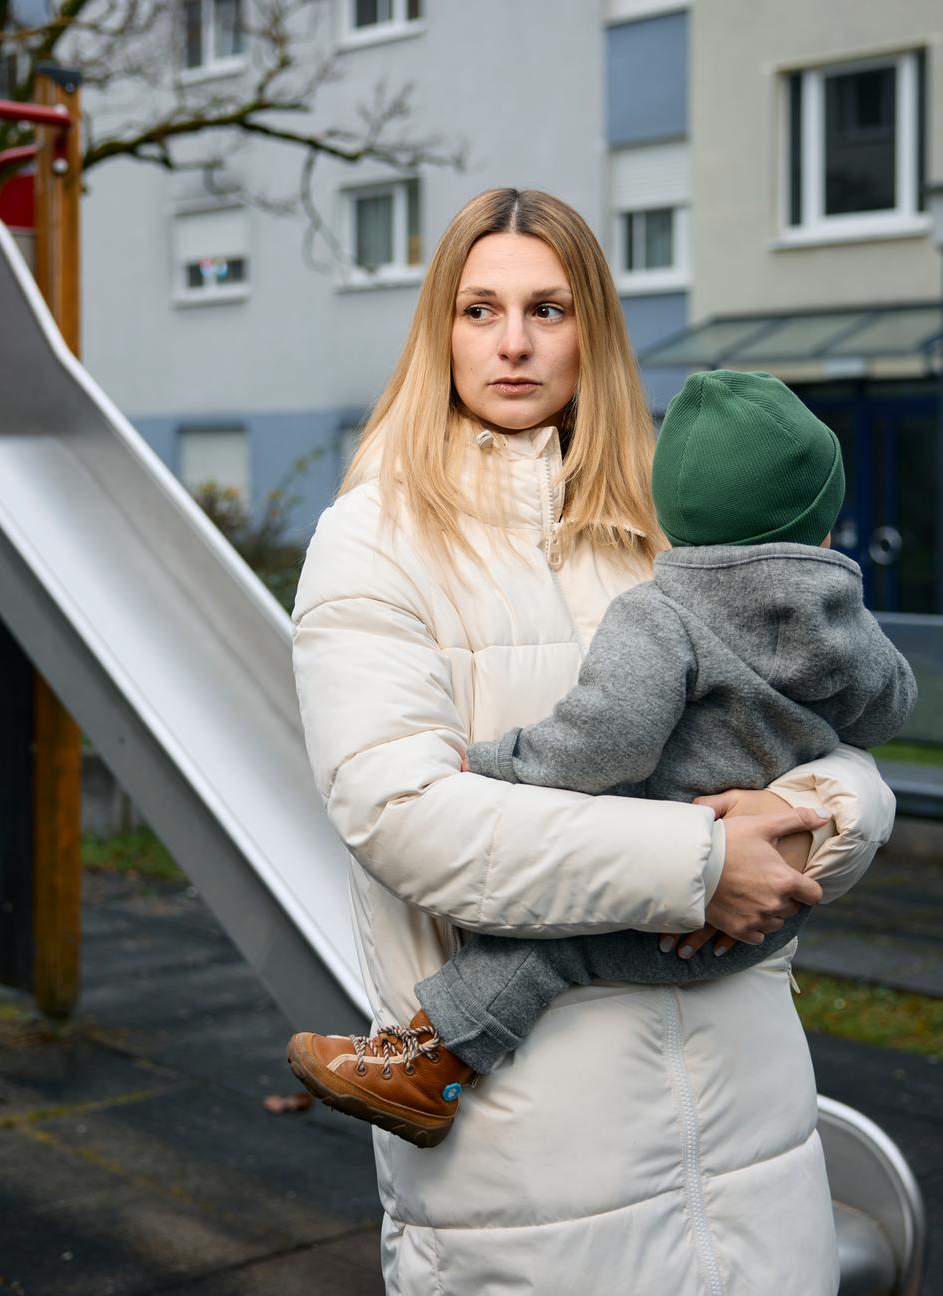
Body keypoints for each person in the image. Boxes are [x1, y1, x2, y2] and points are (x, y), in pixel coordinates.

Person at [289, 189, 897, 1295]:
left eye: (548, 309)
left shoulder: (676, 532)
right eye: (480, 310)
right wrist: (701, 865)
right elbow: (405, 816)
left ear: (593, 333)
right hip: (533, 1159)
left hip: (753, 1133)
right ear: (440, 331)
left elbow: (834, 740)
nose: (514, 343)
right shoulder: (372, 540)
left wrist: (821, 815)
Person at [287, 368, 916, 1149]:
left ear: (674, 511)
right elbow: (887, 710)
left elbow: (605, 742)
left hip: (662, 908)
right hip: (760, 921)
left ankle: (432, 1065)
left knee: (542, 948)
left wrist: (500, 763)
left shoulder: (662, 614)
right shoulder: (847, 624)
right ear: (821, 522)